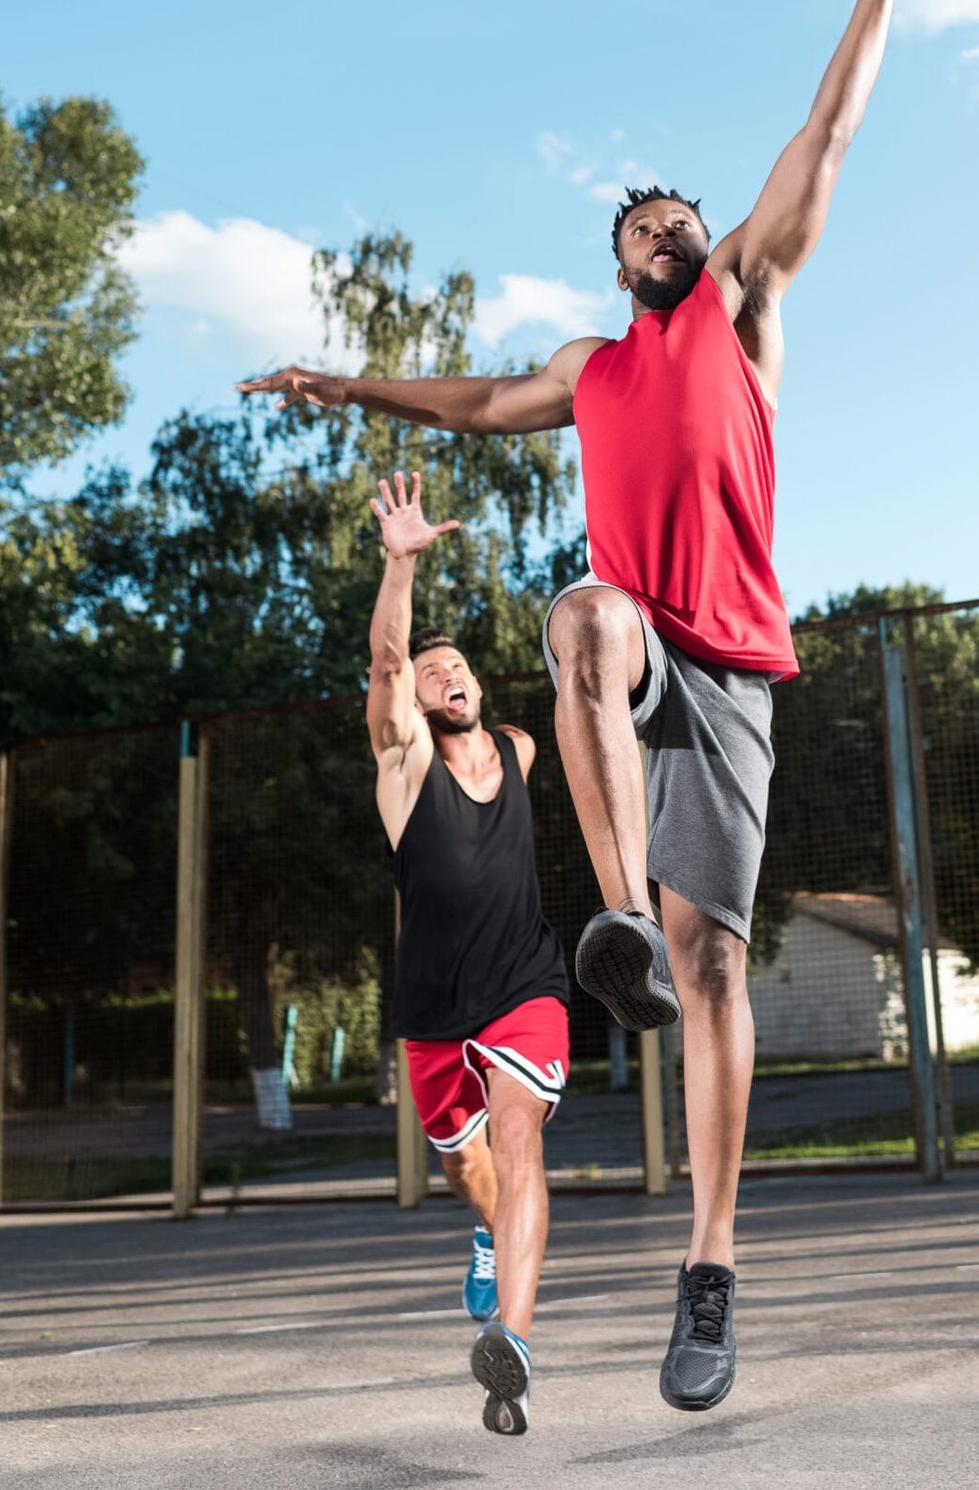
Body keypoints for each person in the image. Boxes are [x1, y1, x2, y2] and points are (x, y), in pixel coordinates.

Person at [242, 0, 948, 1412]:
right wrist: (346, 385)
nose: (661, 234)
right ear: (616, 263)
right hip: (635, 649)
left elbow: (820, 143)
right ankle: (615, 909)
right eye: (637, 229)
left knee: (718, 970)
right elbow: (486, 402)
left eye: (677, 221)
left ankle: (710, 1272)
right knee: (576, 614)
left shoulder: (743, 308)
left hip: (738, 666)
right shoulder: (597, 367)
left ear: (708, 243)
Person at [366, 468, 569, 1439]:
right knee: (465, 1168)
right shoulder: (404, 769)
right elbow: (383, 669)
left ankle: (513, 1341)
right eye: (426, 671)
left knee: (519, 1135)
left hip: (526, 987)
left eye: (457, 669)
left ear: (480, 687)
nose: (441, 677)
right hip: (432, 1007)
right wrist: (399, 568)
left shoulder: (524, 750)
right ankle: (486, 1238)